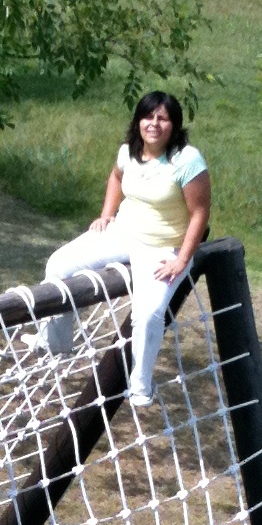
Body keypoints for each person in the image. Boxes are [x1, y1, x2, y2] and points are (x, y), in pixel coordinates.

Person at [34, 91, 211, 408]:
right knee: (59, 265)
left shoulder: (187, 160)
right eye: (148, 116)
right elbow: (116, 177)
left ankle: (141, 387)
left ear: (174, 125)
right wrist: (106, 215)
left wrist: (182, 259)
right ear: (138, 121)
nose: (154, 124)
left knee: (149, 312)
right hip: (124, 231)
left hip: (164, 245)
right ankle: (56, 341)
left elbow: (200, 212)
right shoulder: (128, 152)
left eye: (163, 118)